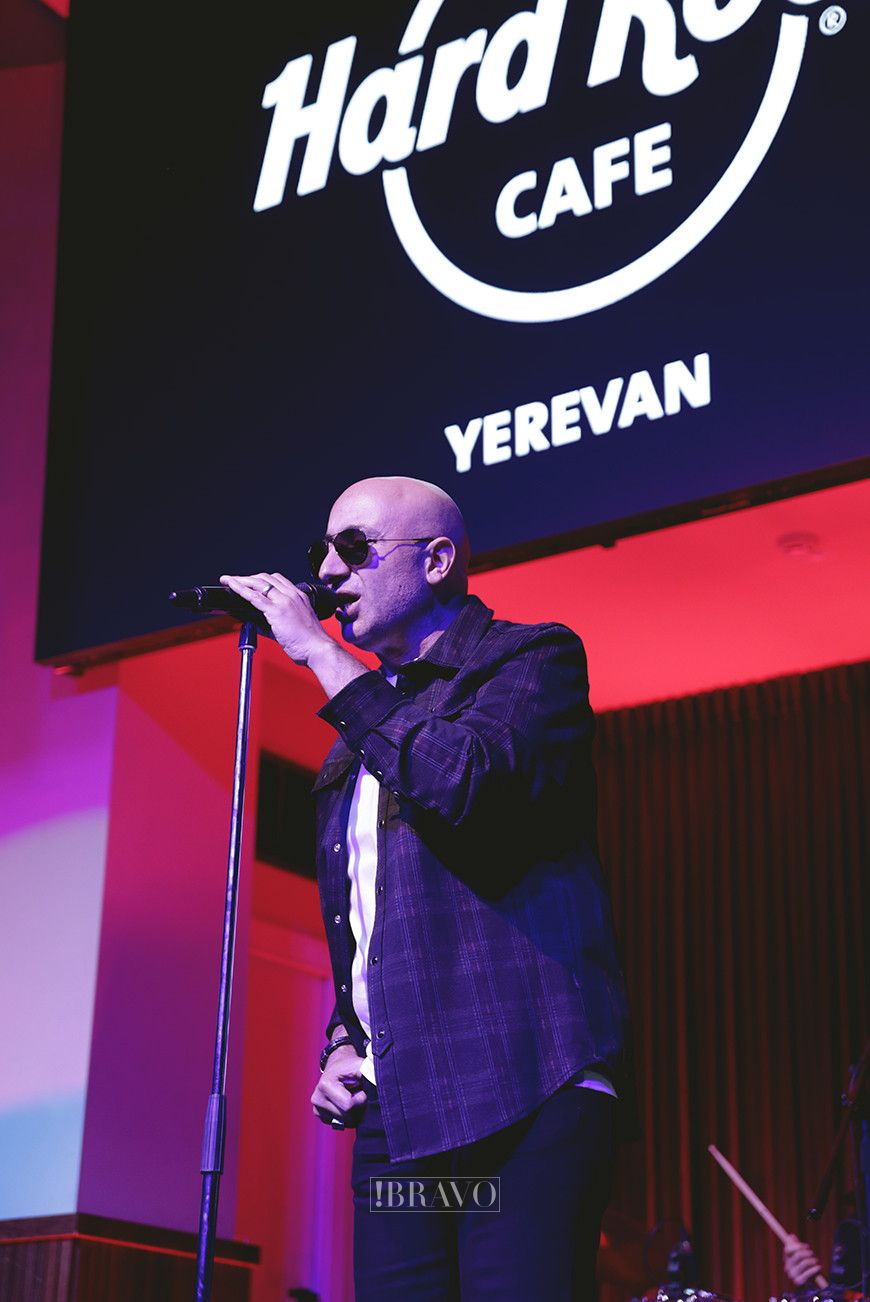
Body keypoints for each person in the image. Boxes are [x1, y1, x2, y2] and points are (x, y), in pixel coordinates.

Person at [220, 476, 631, 1301]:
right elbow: (370, 920)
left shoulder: (528, 660)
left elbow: (465, 787)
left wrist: (324, 656)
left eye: (355, 549)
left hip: (523, 1085)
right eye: (322, 552)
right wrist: (343, 1038)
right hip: (402, 1109)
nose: (328, 572)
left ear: (438, 560)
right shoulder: (357, 738)